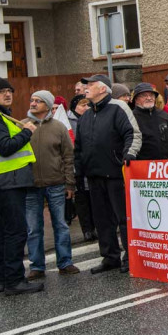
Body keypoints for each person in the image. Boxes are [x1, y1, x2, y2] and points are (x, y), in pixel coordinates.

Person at [0, 78, 43, 295]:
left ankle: (4, 279)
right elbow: (5, 147)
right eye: (2, 91)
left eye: (9, 91)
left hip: (6, 181)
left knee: (5, 232)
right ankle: (14, 280)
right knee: (15, 231)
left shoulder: (0, 117)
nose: (7, 95)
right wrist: (27, 132)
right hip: (6, 182)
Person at [74, 74, 141, 273]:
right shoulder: (86, 115)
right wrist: (79, 171)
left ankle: (130, 257)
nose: (86, 87)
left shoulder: (118, 108)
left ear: (103, 89)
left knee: (123, 218)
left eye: (91, 85)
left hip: (116, 172)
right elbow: (79, 146)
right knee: (102, 220)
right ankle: (110, 257)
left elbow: (133, 133)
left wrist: (129, 154)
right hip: (94, 175)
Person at [21, 90, 78, 281]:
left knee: (61, 224)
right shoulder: (22, 125)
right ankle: (37, 266)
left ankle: (65, 262)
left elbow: (68, 157)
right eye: (32, 100)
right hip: (31, 185)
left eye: (38, 101)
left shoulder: (59, 127)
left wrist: (70, 183)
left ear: (47, 105)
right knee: (33, 228)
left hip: (56, 184)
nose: (33, 103)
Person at [68, 97, 96, 242]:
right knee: (82, 200)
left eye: (88, 105)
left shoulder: (92, 118)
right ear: (74, 106)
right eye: (82, 105)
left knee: (94, 199)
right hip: (77, 166)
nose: (85, 107)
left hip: (91, 164)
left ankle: (95, 226)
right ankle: (87, 229)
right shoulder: (68, 122)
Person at [131, 83, 168, 160]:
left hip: (167, 165)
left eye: (151, 95)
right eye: (144, 95)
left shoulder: (164, 116)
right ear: (136, 99)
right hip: (142, 167)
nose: (149, 98)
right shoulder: (131, 118)